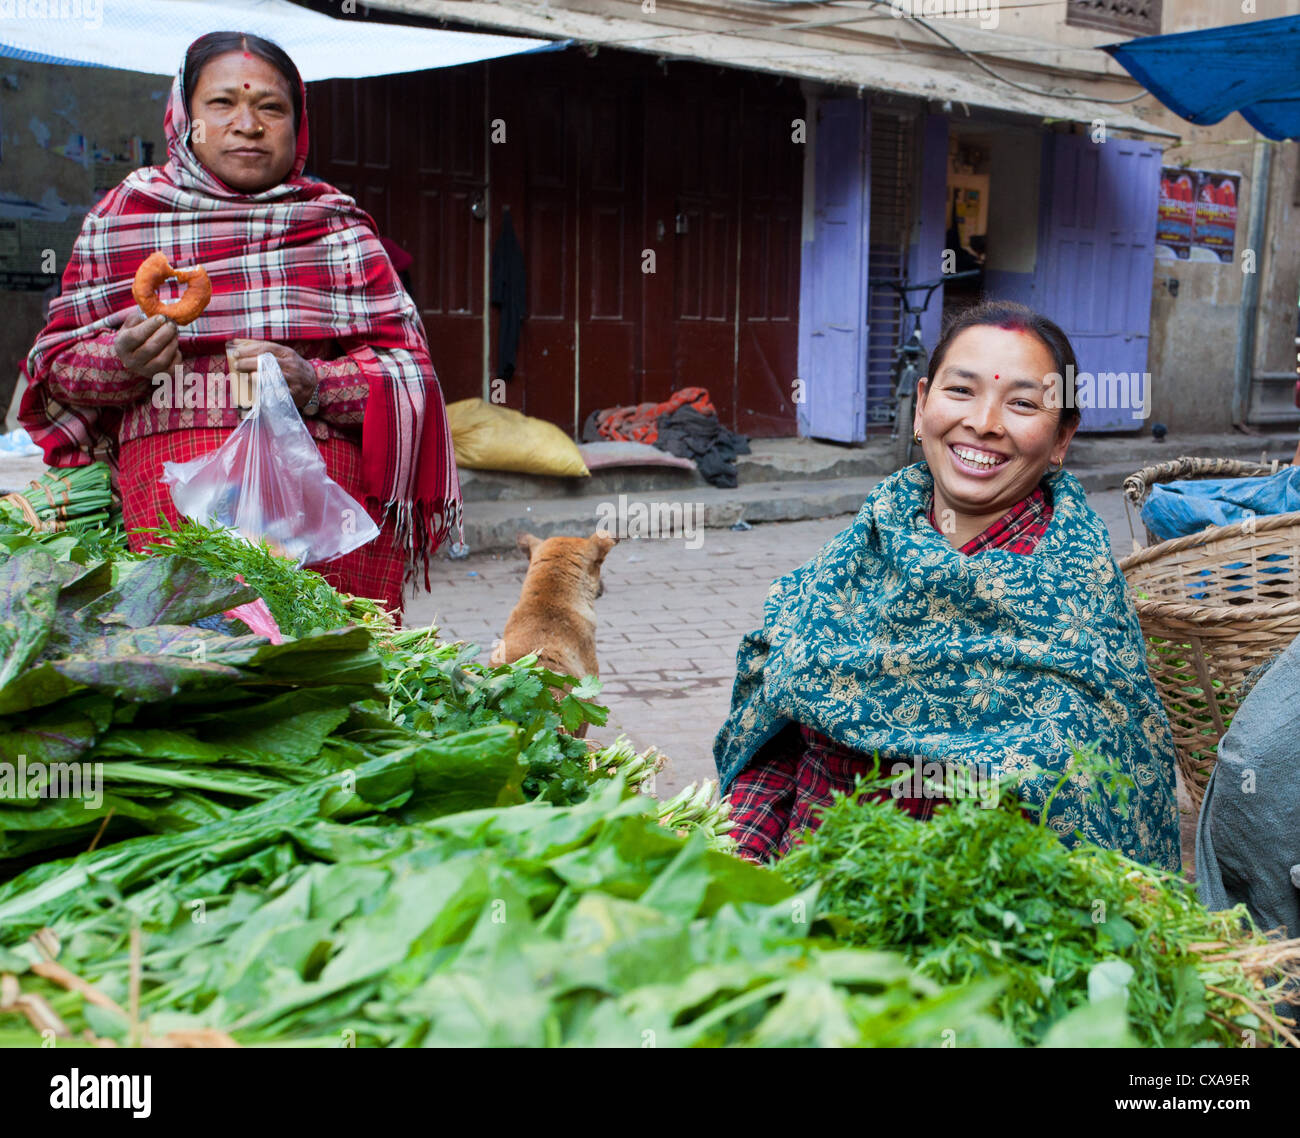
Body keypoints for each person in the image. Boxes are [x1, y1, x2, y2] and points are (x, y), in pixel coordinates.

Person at [714, 300, 1182, 870]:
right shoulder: (845, 567)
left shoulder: (1079, 613)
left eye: (1023, 403)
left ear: (1061, 438)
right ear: (921, 407)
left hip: (973, 936)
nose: (984, 423)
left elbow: (1107, 825)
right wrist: (735, 876)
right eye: (961, 391)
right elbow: (776, 744)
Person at [18, 31, 462, 619]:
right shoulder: (123, 217)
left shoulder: (339, 230)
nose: (248, 124)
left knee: (332, 679)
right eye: (221, 103)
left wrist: (315, 381)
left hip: (329, 525)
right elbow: (56, 373)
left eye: (271, 107)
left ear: (296, 124)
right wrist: (121, 362)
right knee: (210, 676)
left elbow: (412, 379)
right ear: (185, 117)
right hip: (175, 516)